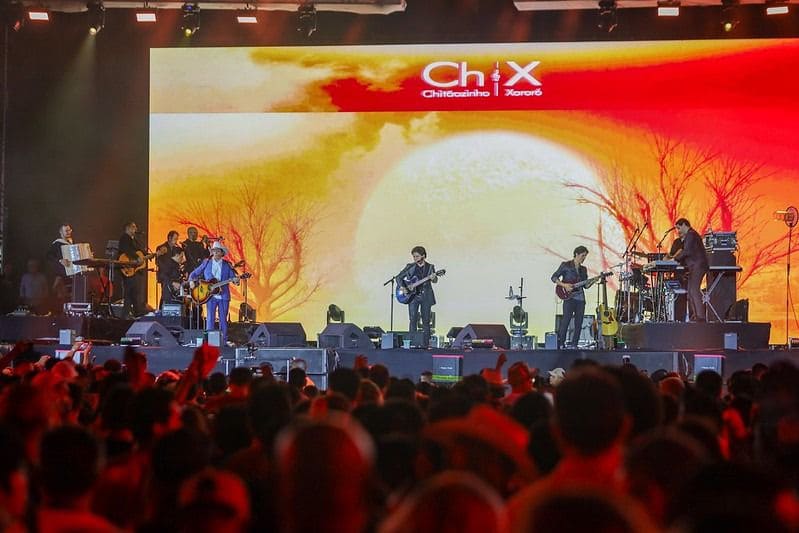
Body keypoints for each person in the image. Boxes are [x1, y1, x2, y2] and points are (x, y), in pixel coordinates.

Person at [188, 241, 240, 344]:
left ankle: (223, 340)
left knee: (223, 319)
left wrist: (236, 280)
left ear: (222, 253)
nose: (215, 253)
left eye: (218, 251)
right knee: (210, 318)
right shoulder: (206, 263)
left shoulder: (227, 265)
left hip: (223, 295)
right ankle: (209, 341)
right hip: (209, 295)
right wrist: (191, 281)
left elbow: (234, 279)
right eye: (214, 251)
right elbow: (194, 273)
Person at [551, 246, 595, 349]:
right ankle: (561, 344)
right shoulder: (566, 265)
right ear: (576, 254)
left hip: (580, 299)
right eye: (582, 255)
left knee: (578, 323)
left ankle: (574, 345)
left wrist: (593, 281)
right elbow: (554, 277)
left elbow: (585, 286)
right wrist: (564, 285)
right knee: (566, 320)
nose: (584, 258)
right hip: (569, 298)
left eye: (585, 256)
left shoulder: (583, 269)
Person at [395, 246, 438, 349]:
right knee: (412, 319)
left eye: (417, 256)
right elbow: (398, 277)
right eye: (413, 256)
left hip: (426, 296)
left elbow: (435, 280)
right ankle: (412, 343)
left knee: (426, 321)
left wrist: (434, 277)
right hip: (412, 297)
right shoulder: (410, 266)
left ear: (423, 256)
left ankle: (426, 344)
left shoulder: (430, 267)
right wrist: (403, 287)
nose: (415, 258)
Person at [671, 218, 709, 322]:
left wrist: (674, 259)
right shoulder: (691, 235)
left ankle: (701, 317)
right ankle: (696, 316)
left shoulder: (691, 235)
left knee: (694, 290)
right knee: (691, 291)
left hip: (698, 265)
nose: (678, 231)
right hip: (695, 266)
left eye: (679, 228)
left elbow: (687, 251)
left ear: (684, 225)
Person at [118, 221, 148, 318]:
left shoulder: (135, 239)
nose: (136, 229)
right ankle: (125, 315)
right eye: (134, 227)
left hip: (134, 270)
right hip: (127, 267)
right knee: (129, 293)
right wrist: (136, 256)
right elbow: (126, 250)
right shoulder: (124, 238)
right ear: (128, 228)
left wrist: (148, 255)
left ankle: (137, 313)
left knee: (135, 292)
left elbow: (139, 251)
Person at [45, 223, 74, 311]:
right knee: (61, 298)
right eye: (66, 230)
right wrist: (60, 260)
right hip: (61, 275)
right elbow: (48, 255)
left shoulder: (72, 243)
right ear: (61, 232)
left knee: (71, 297)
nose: (68, 232)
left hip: (71, 274)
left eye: (69, 230)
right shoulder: (57, 243)